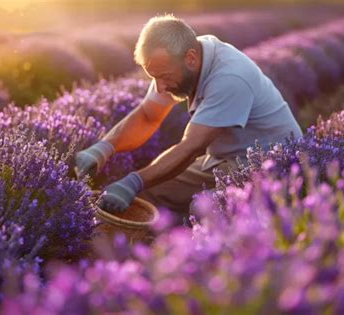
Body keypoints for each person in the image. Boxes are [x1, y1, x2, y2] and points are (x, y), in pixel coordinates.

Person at [75, 14, 303, 219]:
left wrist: (133, 181)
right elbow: (147, 116)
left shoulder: (230, 78)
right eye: (154, 77)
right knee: (148, 193)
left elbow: (191, 147)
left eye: (163, 77)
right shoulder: (179, 62)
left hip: (273, 165)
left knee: (206, 209)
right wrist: (104, 148)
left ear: (191, 59)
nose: (160, 87)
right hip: (224, 159)